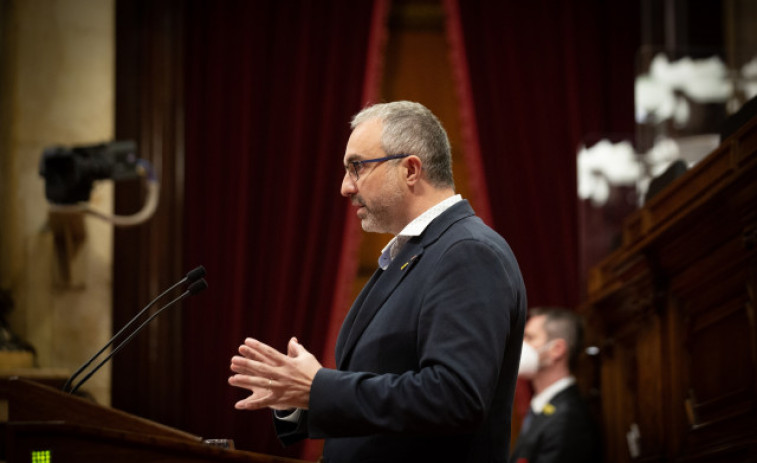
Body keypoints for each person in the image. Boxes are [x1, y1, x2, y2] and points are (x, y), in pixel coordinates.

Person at [228, 101, 527, 463]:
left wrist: (320, 388)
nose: (344, 187)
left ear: (411, 170)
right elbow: (383, 393)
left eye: (356, 167)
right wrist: (301, 397)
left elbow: (454, 398)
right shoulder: (416, 252)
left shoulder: (467, 252)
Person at [511, 307, 602, 463]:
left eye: (529, 338)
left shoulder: (568, 418)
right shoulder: (544, 407)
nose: (521, 345)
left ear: (557, 349)